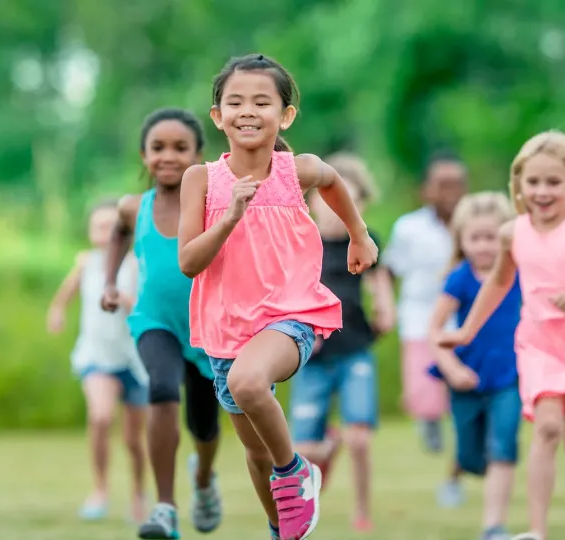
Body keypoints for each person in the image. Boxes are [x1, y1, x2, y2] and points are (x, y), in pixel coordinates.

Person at [178, 53, 378, 540]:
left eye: (262, 101)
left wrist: (359, 234)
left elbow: (333, 181)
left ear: (284, 116)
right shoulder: (201, 180)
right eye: (236, 101)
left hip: (291, 314)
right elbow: (189, 261)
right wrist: (227, 219)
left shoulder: (297, 171)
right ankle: (281, 526)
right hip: (226, 329)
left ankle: (297, 473)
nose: (248, 110)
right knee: (255, 452)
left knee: (249, 386)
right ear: (218, 115)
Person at [439, 130, 565, 540]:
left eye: (553, 182)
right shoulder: (514, 233)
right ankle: (537, 531)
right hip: (538, 343)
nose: (542, 191)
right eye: (533, 182)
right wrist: (467, 331)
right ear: (520, 185)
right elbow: (497, 283)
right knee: (546, 429)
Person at [101, 108, 223, 539]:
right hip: (155, 320)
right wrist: (111, 281)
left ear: (199, 156)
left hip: (208, 326)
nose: (168, 157)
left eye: (179, 148)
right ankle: (165, 508)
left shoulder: (213, 203)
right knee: (162, 388)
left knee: (204, 425)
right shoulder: (134, 207)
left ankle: (205, 479)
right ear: (143, 155)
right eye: (157, 148)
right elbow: (117, 232)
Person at [288, 153, 395, 534]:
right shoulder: (302, 242)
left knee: (361, 439)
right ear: (313, 200)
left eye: (349, 198)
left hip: (354, 351)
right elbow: (288, 293)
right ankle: (325, 451)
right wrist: (299, 331)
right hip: (311, 357)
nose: (335, 208)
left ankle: (362, 509)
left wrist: (385, 307)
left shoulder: (365, 241)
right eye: (327, 198)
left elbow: (378, 283)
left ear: (360, 204)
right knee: (303, 449)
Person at [428, 192, 522, 540]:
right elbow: (435, 330)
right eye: (475, 238)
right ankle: (463, 469)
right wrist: (451, 368)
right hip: (467, 377)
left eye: (492, 238)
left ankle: (493, 525)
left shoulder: (517, 273)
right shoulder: (460, 278)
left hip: (510, 375)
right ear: (462, 240)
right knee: (471, 457)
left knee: (504, 444)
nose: (484, 246)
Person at [47, 200, 148, 523]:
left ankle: (138, 493)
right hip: (96, 356)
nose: (103, 233)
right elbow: (66, 292)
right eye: (98, 226)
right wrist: (57, 312)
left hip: (134, 360)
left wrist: (125, 300)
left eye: (110, 226)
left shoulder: (136, 265)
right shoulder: (87, 263)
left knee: (134, 439)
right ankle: (100, 489)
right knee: (101, 418)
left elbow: (145, 310)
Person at [382, 152, 468, 453]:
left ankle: (464, 441)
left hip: (465, 321)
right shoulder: (409, 228)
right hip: (419, 320)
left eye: (456, 184)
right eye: (442, 184)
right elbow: (389, 269)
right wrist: (385, 306)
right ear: (427, 189)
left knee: (464, 387)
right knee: (424, 391)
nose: (450, 192)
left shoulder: (474, 226)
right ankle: (430, 428)